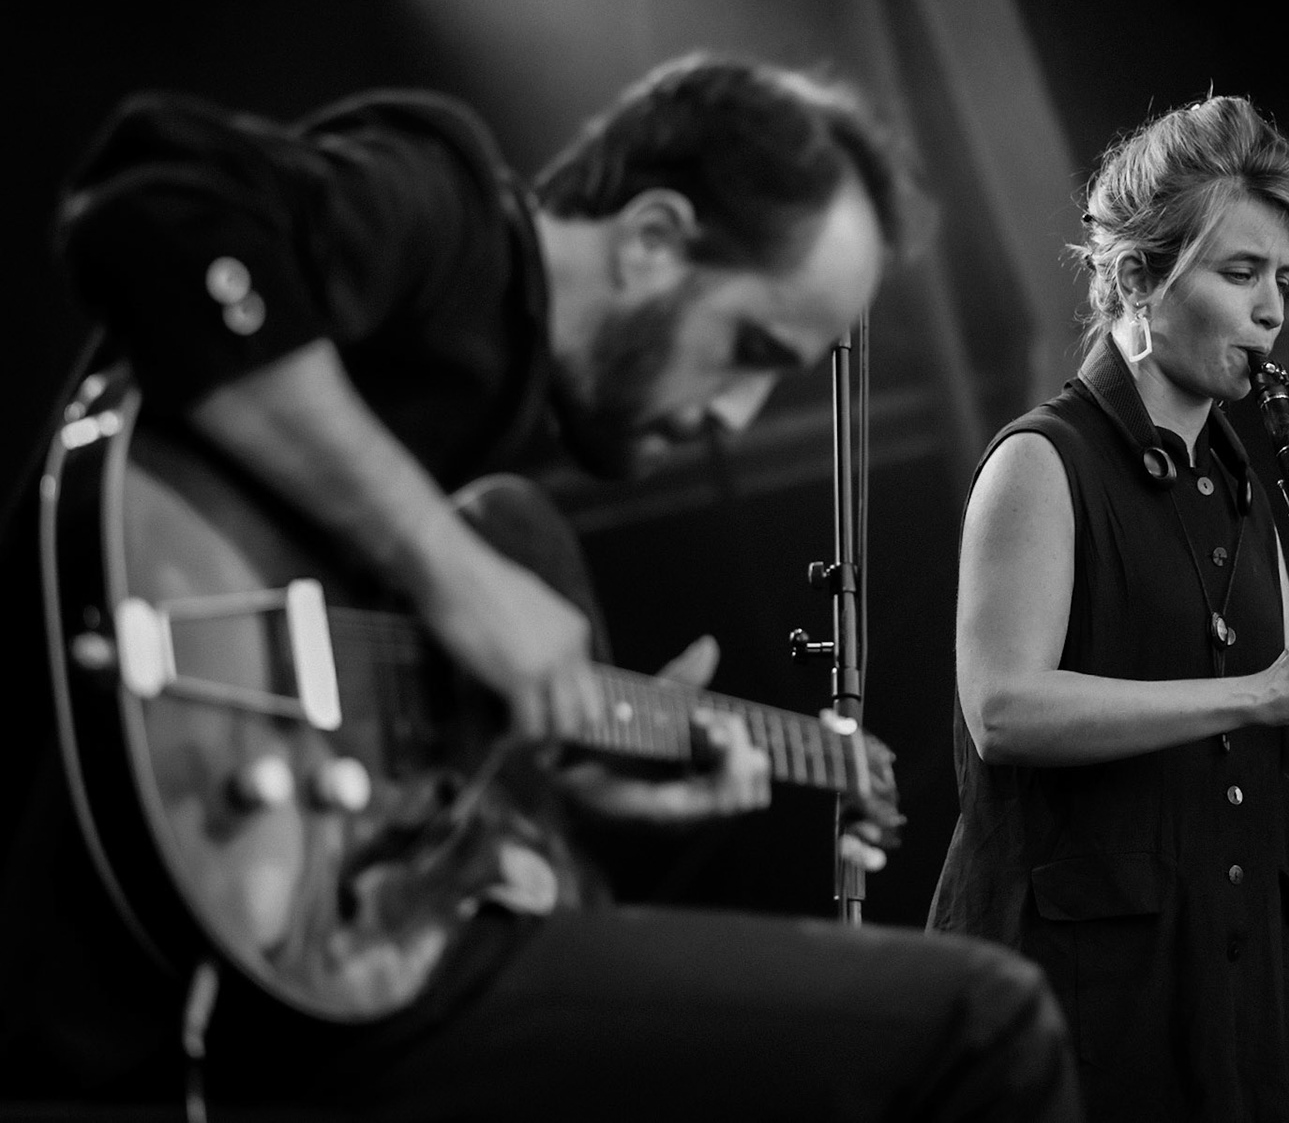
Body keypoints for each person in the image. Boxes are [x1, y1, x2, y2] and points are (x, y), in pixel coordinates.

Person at [0, 54, 1079, 1121]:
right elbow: (161, 204)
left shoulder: (508, 440)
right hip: (139, 955)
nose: (736, 416)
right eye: (748, 347)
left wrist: (564, 788)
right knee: (983, 1019)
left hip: (245, 963)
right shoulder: (453, 221)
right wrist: (449, 565)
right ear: (651, 238)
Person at [927, 95, 1289, 1121]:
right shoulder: (1041, 460)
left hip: (1226, 996)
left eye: (1281, 278)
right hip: (1072, 1003)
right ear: (1139, 277)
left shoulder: (1240, 487)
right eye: (1240, 273)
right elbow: (1002, 710)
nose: (1272, 311)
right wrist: (1260, 688)